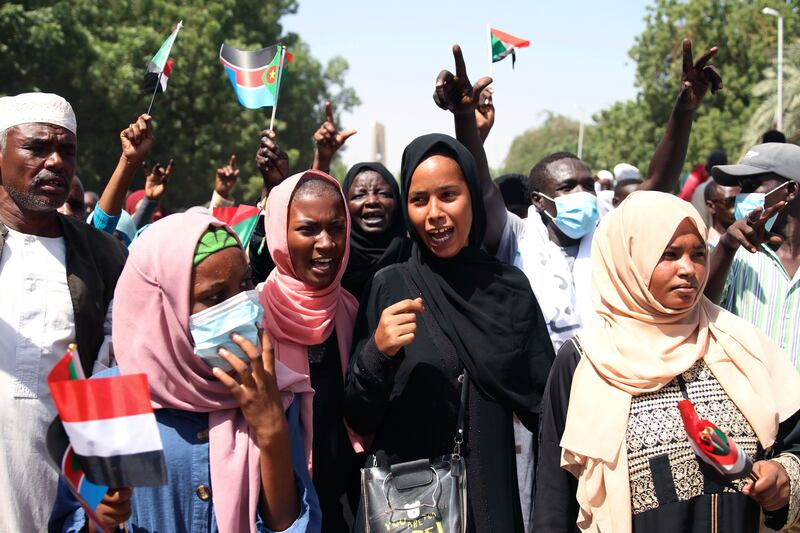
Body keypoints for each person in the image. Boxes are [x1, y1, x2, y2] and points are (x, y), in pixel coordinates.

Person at [534, 191, 800, 532]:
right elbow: (555, 503)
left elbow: (795, 445)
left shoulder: (739, 342)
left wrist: (783, 479)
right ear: (629, 259)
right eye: (669, 255)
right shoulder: (586, 360)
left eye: (698, 254)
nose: (688, 269)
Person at [50, 213, 320, 532]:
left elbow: (291, 524)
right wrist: (100, 520)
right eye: (215, 297)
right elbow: (72, 521)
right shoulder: (106, 400)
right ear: (163, 307)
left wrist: (272, 430)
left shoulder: (266, 390)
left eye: (245, 283)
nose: (241, 306)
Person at [345, 134, 555, 533]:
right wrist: (378, 353)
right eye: (419, 200)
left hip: (488, 503)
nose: (435, 214)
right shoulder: (389, 285)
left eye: (448, 195)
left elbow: (546, 408)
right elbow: (358, 414)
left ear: (472, 199)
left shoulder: (508, 290)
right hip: (410, 511)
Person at [0, 92, 127, 532]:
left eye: (66, 151)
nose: (55, 162)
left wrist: (107, 496)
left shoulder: (103, 257)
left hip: (66, 497)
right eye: (37, 148)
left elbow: (113, 373)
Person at [259, 170, 363, 532]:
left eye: (336, 228)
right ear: (279, 234)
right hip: (277, 515)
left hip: (343, 510)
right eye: (307, 229)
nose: (326, 244)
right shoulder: (254, 316)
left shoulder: (350, 310)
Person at [705, 142, 800, 367]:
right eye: (741, 186)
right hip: (749, 398)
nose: (742, 195)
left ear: (791, 191)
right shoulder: (734, 252)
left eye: (753, 185)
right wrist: (727, 246)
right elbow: (699, 308)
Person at [340, 162, 410, 300]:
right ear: (344, 206)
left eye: (383, 193)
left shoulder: (416, 255)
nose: (372, 201)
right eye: (359, 196)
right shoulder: (335, 262)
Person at [703, 180, 740, 246]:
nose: (739, 206)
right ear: (711, 207)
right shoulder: (704, 249)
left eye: (740, 200)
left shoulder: (754, 242)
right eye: (731, 201)